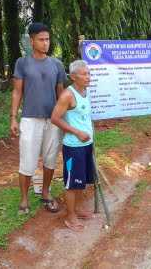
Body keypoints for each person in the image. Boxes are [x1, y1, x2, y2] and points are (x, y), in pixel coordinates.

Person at [10, 22, 67, 214]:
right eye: (41, 39)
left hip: (53, 120)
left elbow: (61, 95)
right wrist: (13, 118)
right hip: (30, 119)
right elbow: (17, 92)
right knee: (27, 160)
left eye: (48, 39)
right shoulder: (22, 63)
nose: (45, 43)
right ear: (32, 41)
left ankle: (45, 192)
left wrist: (65, 119)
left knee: (50, 158)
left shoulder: (57, 64)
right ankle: (24, 199)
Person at [51, 60, 94, 231]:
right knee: (71, 182)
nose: (88, 77)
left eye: (89, 73)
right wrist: (77, 132)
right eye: (84, 74)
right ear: (74, 76)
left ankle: (76, 209)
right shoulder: (67, 95)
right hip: (73, 147)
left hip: (86, 144)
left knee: (81, 180)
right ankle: (70, 217)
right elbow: (55, 118)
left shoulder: (85, 91)